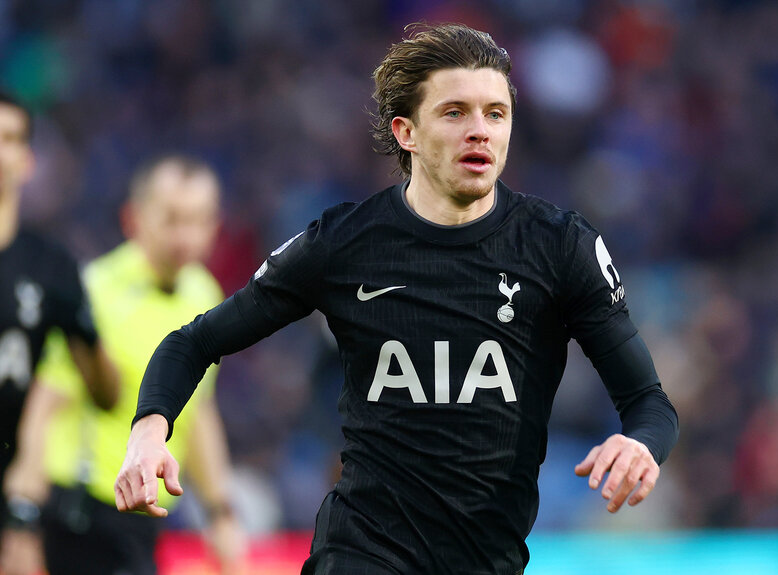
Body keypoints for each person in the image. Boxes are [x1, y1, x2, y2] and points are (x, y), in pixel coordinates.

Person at [116, 23, 680, 575]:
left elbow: (649, 402)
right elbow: (194, 341)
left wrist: (641, 445)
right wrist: (149, 429)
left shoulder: (559, 247)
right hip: (363, 551)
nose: (480, 130)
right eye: (454, 112)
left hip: (489, 558)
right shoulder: (344, 244)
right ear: (406, 132)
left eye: (496, 113)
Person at [7, 155, 245, 575]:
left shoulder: (203, 294)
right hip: (83, 512)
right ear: (135, 218)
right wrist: (22, 518)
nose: (185, 235)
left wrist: (220, 512)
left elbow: (198, 411)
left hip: (145, 518)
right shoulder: (97, 290)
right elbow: (45, 403)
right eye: (172, 219)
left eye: (198, 220)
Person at [0, 90, 118, 575]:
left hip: (18, 493)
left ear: (27, 161)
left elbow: (105, 393)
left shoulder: (52, 268)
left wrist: (88, 339)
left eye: (8, 139)